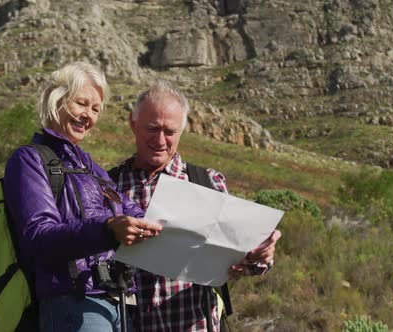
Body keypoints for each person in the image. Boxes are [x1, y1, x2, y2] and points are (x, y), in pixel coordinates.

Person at [108, 82, 282, 332]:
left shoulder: (207, 183)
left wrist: (261, 255)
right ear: (133, 124)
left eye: (170, 131)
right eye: (151, 128)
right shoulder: (107, 185)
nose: (160, 139)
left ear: (182, 131)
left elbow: (244, 257)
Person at [3, 62, 162, 332]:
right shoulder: (29, 159)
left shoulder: (94, 169)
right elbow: (39, 236)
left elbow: (134, 214)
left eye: (96, 108)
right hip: (72, 303)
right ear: (58, 99)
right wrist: (108, 229)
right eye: (81, 103)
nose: (88, 115)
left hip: (119, 303)